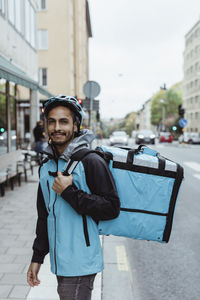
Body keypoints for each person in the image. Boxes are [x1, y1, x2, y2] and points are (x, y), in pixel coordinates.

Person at [27, 95, 120, 300]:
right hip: (60, 261)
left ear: (76, 126)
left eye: (64, 121)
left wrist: (69, 193)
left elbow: (111, 207)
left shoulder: (91, 161)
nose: (57, 127)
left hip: (81, 262)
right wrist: (37, 257)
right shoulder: (47, 166)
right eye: (51, 121)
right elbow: (44, 215)